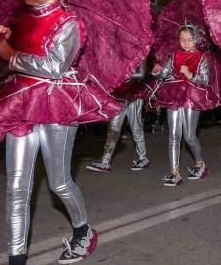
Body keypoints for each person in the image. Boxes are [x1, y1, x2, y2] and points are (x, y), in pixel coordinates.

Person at [0, 0, 120, 265]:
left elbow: (53, 68)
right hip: (19, 104)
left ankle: (84, 231)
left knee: (58, 182)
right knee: (17, 187)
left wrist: (5, 50)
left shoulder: (69, 23)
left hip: (55, 104)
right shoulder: (18, 21)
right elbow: (1, 71)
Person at [150, 24, 211, 186]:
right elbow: (164, 75)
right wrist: (157, 72)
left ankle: (200, 164)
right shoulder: (174, 55)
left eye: (189, 40)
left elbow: (205, 80)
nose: (186, 43)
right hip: (174, 96)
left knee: (189, 135)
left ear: (196, 40)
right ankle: (174, 173)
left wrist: (191, 75)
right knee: (174, 135)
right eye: (182, 40)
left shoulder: (201, 57)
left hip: (192, 97)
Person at [85, 63, 150, 173]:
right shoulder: (115, 49)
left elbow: (141, 74)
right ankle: (105, 162)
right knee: (113, 128)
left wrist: (119, 75)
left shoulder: (140, 48)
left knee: (136, 127)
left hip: (135, 94)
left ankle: (143, 158)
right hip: (119, 94)